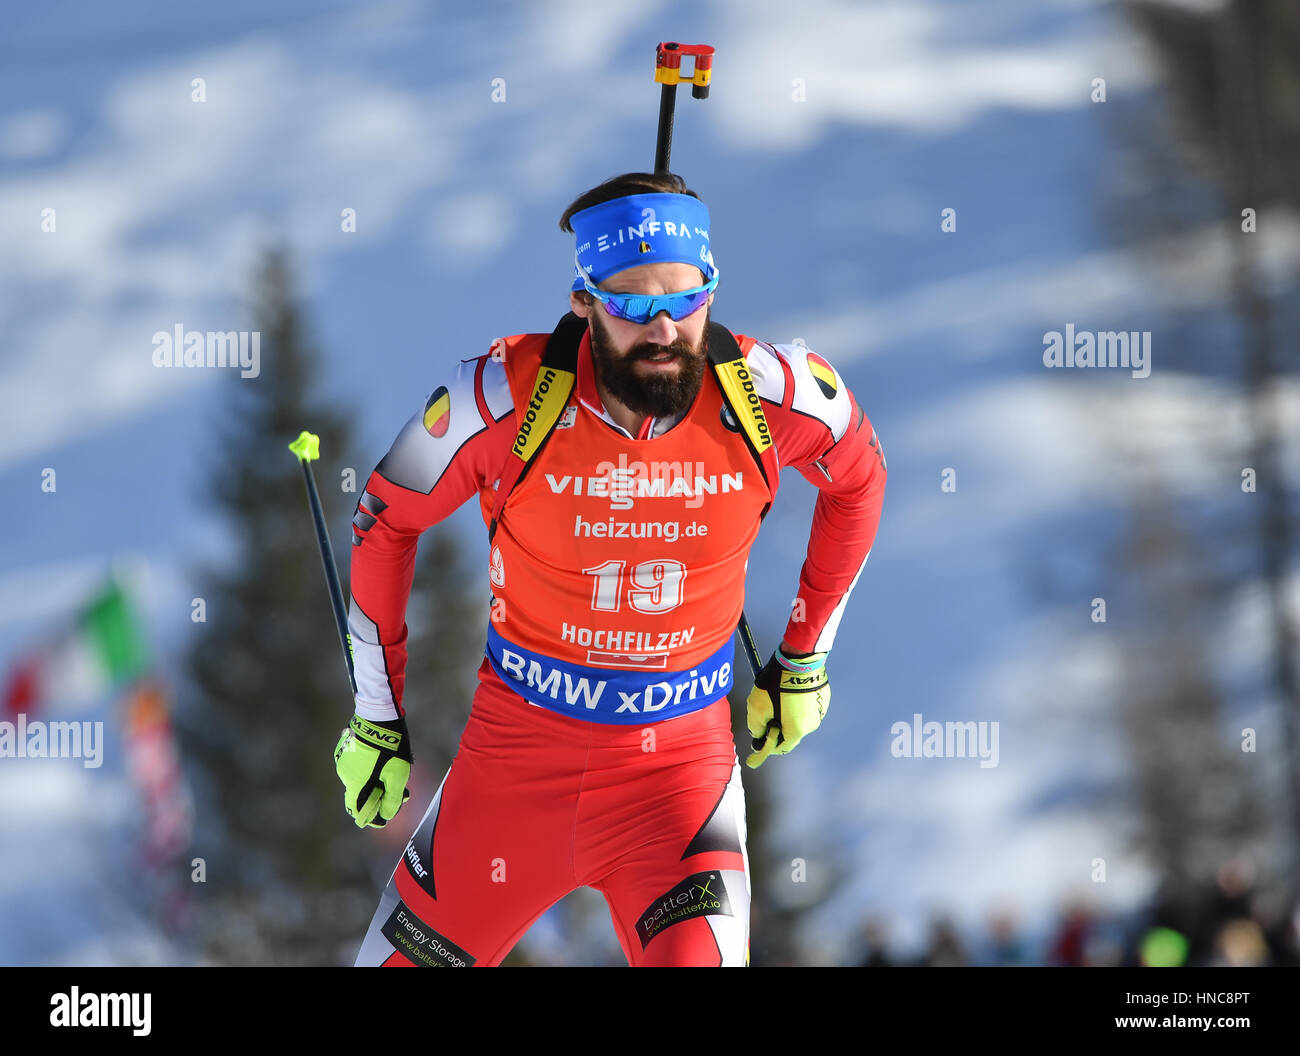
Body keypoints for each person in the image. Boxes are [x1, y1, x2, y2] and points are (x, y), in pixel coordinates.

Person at [338, 171, 887, 967]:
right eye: (631, 302)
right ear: (584, 302)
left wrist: (804, 658)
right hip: (513, 773)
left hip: (677, 787)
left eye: (687, 296)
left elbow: (860, 480)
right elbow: (386, 523)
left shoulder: (770, 396)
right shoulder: (501, 399)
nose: (663, 326)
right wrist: (375, 715)